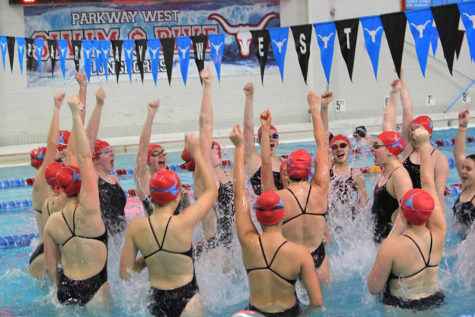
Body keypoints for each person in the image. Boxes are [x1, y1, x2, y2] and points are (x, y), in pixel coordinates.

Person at [119, 133, 218, 317]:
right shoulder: (185, 221)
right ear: (177, 196)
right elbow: (211, 190)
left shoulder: (136, 227)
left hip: (156, 301)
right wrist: (196, 153)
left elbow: (125, 274)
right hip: (187, 300)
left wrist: (147, 259)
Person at [230, 124, 322, 316]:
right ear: (282, 215)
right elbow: (316, 302)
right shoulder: (300, 253)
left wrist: (239, 149)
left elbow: (239, 195)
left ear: (257, 215)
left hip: (256, 312)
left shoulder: (248, 242)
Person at [368, 127, 447, 310]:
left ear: (402, 213)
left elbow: (374, 288)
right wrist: (425, 144)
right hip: (435, 300)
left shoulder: (391, 246)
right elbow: (428, 182)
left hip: (401, 307)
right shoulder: (439, 232)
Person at [43, 95, 110, 307]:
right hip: (95, 290)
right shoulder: (90, 210)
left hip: (65, 289)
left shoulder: (52, 221)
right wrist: (75, 114)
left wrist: (56, 294)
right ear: (82, 184)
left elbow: (51, 268)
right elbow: (82, 155)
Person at [261, 92, 331, 283]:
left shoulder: (277, 197)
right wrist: (314, 109)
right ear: (309, 171)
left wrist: (265, 129)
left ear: (287, 170)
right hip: (319, 257)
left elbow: (266, 164)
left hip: (289, 262)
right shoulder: (320, 190)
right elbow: (323, 145)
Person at [391, 71, 449, 203]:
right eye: (411, 130)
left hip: (423, 212)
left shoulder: (439, 159)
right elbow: (407, 108)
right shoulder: (408, 148)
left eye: (417, 129)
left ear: (428, 133)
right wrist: (402, 76)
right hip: (403, 208)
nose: (412, 133)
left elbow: (439, 195)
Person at [29, 93, 67, 280]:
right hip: (45, 256)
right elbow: (52, 146)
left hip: (54, 254)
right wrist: (57, 109)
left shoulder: (59, 181)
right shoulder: (42, 180)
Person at [85, 87, 127, 236]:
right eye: (106, 152)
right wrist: (99, 104)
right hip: (102, 237)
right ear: (94, 158)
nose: (112, 154)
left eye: (112, 151)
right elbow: (89, 138)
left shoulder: (115, 179)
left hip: (119, 235)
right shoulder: (92, 178)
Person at [134, 100, 185, 217]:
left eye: (163, 152)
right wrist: (151, 116)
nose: (161, 155)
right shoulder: (144, 178)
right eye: (155, 153)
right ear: (147, 160)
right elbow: (142, 149)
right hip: (154, 231)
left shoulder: (172, 177)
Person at [243, 82, 284, 196]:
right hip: (263, 211)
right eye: (267, 136)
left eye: (274, 136)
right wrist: (249, 97)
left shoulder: (284, 161)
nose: (271, 139)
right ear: (259, 141)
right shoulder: (254, 159)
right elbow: (248, 128)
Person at [328, 134, 367, 219]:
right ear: (331, 152)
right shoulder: (327, 173)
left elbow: (363, 205)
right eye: (334, 147)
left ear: (349, 148)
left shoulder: (356, 174)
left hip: (349, 218)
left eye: (343, 146)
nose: (339, 149)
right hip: (331, 218)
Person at [453, 109, 475, 237]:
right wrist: (462, 127)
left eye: (468, 169)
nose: (463, 171)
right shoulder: (466, 187)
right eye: (463, 168)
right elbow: (459, 154)